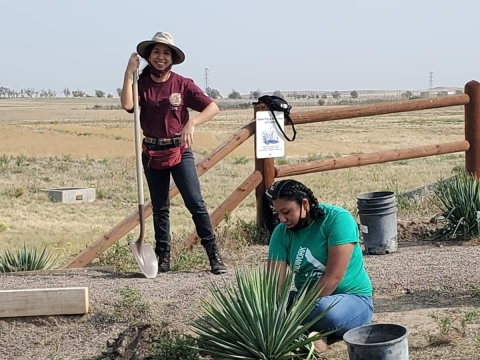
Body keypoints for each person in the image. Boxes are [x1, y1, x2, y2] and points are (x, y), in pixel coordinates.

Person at [120, 31, 226, 275]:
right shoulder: (141, 84)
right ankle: (163, 258)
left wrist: (193, 123)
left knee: (195, 202)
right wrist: (128, 72)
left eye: (166, 53)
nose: (161, 57)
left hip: (180, 150)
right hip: (152, 152)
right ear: (148, 56)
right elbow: (127, 105)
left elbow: (213, 107)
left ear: (172, 58)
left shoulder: (182, 84)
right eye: (156, 52)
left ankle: (213, 256)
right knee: (160, 207)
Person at [266, 179, 373, 352]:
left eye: (286, 212)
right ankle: (314, 335)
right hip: (306, 301)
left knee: (325, 310)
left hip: (350, 299)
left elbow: (333, 278)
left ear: (305, 204)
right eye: (277, 213)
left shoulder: (337, 220)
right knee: (252, 306)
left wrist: (290, 312)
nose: (282, 219)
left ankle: (299, 330)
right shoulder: (281, 233)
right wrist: (271, 306)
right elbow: (274, 284)